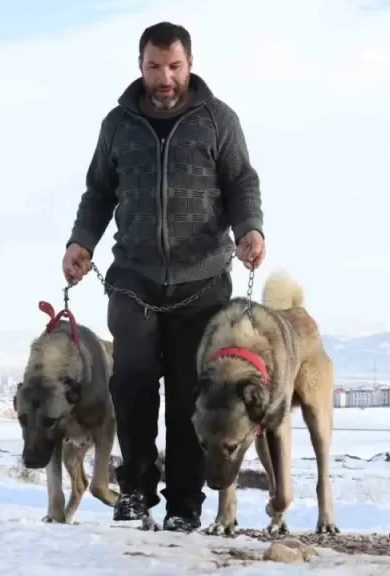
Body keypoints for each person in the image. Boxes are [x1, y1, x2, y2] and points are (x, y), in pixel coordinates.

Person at [61, 21, 266, 533]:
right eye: (155, 66)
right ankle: (134, 490)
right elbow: (98, 191)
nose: (165, 77)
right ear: (141, 66)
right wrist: (80, 243)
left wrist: (250, 230)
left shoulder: (218, 120)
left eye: (174, 66)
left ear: (189, 64)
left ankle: (184, 504)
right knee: (130, 384)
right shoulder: (117, 125)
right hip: (133, 278)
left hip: (203, 282)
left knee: (187, 393)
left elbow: (241, 182)